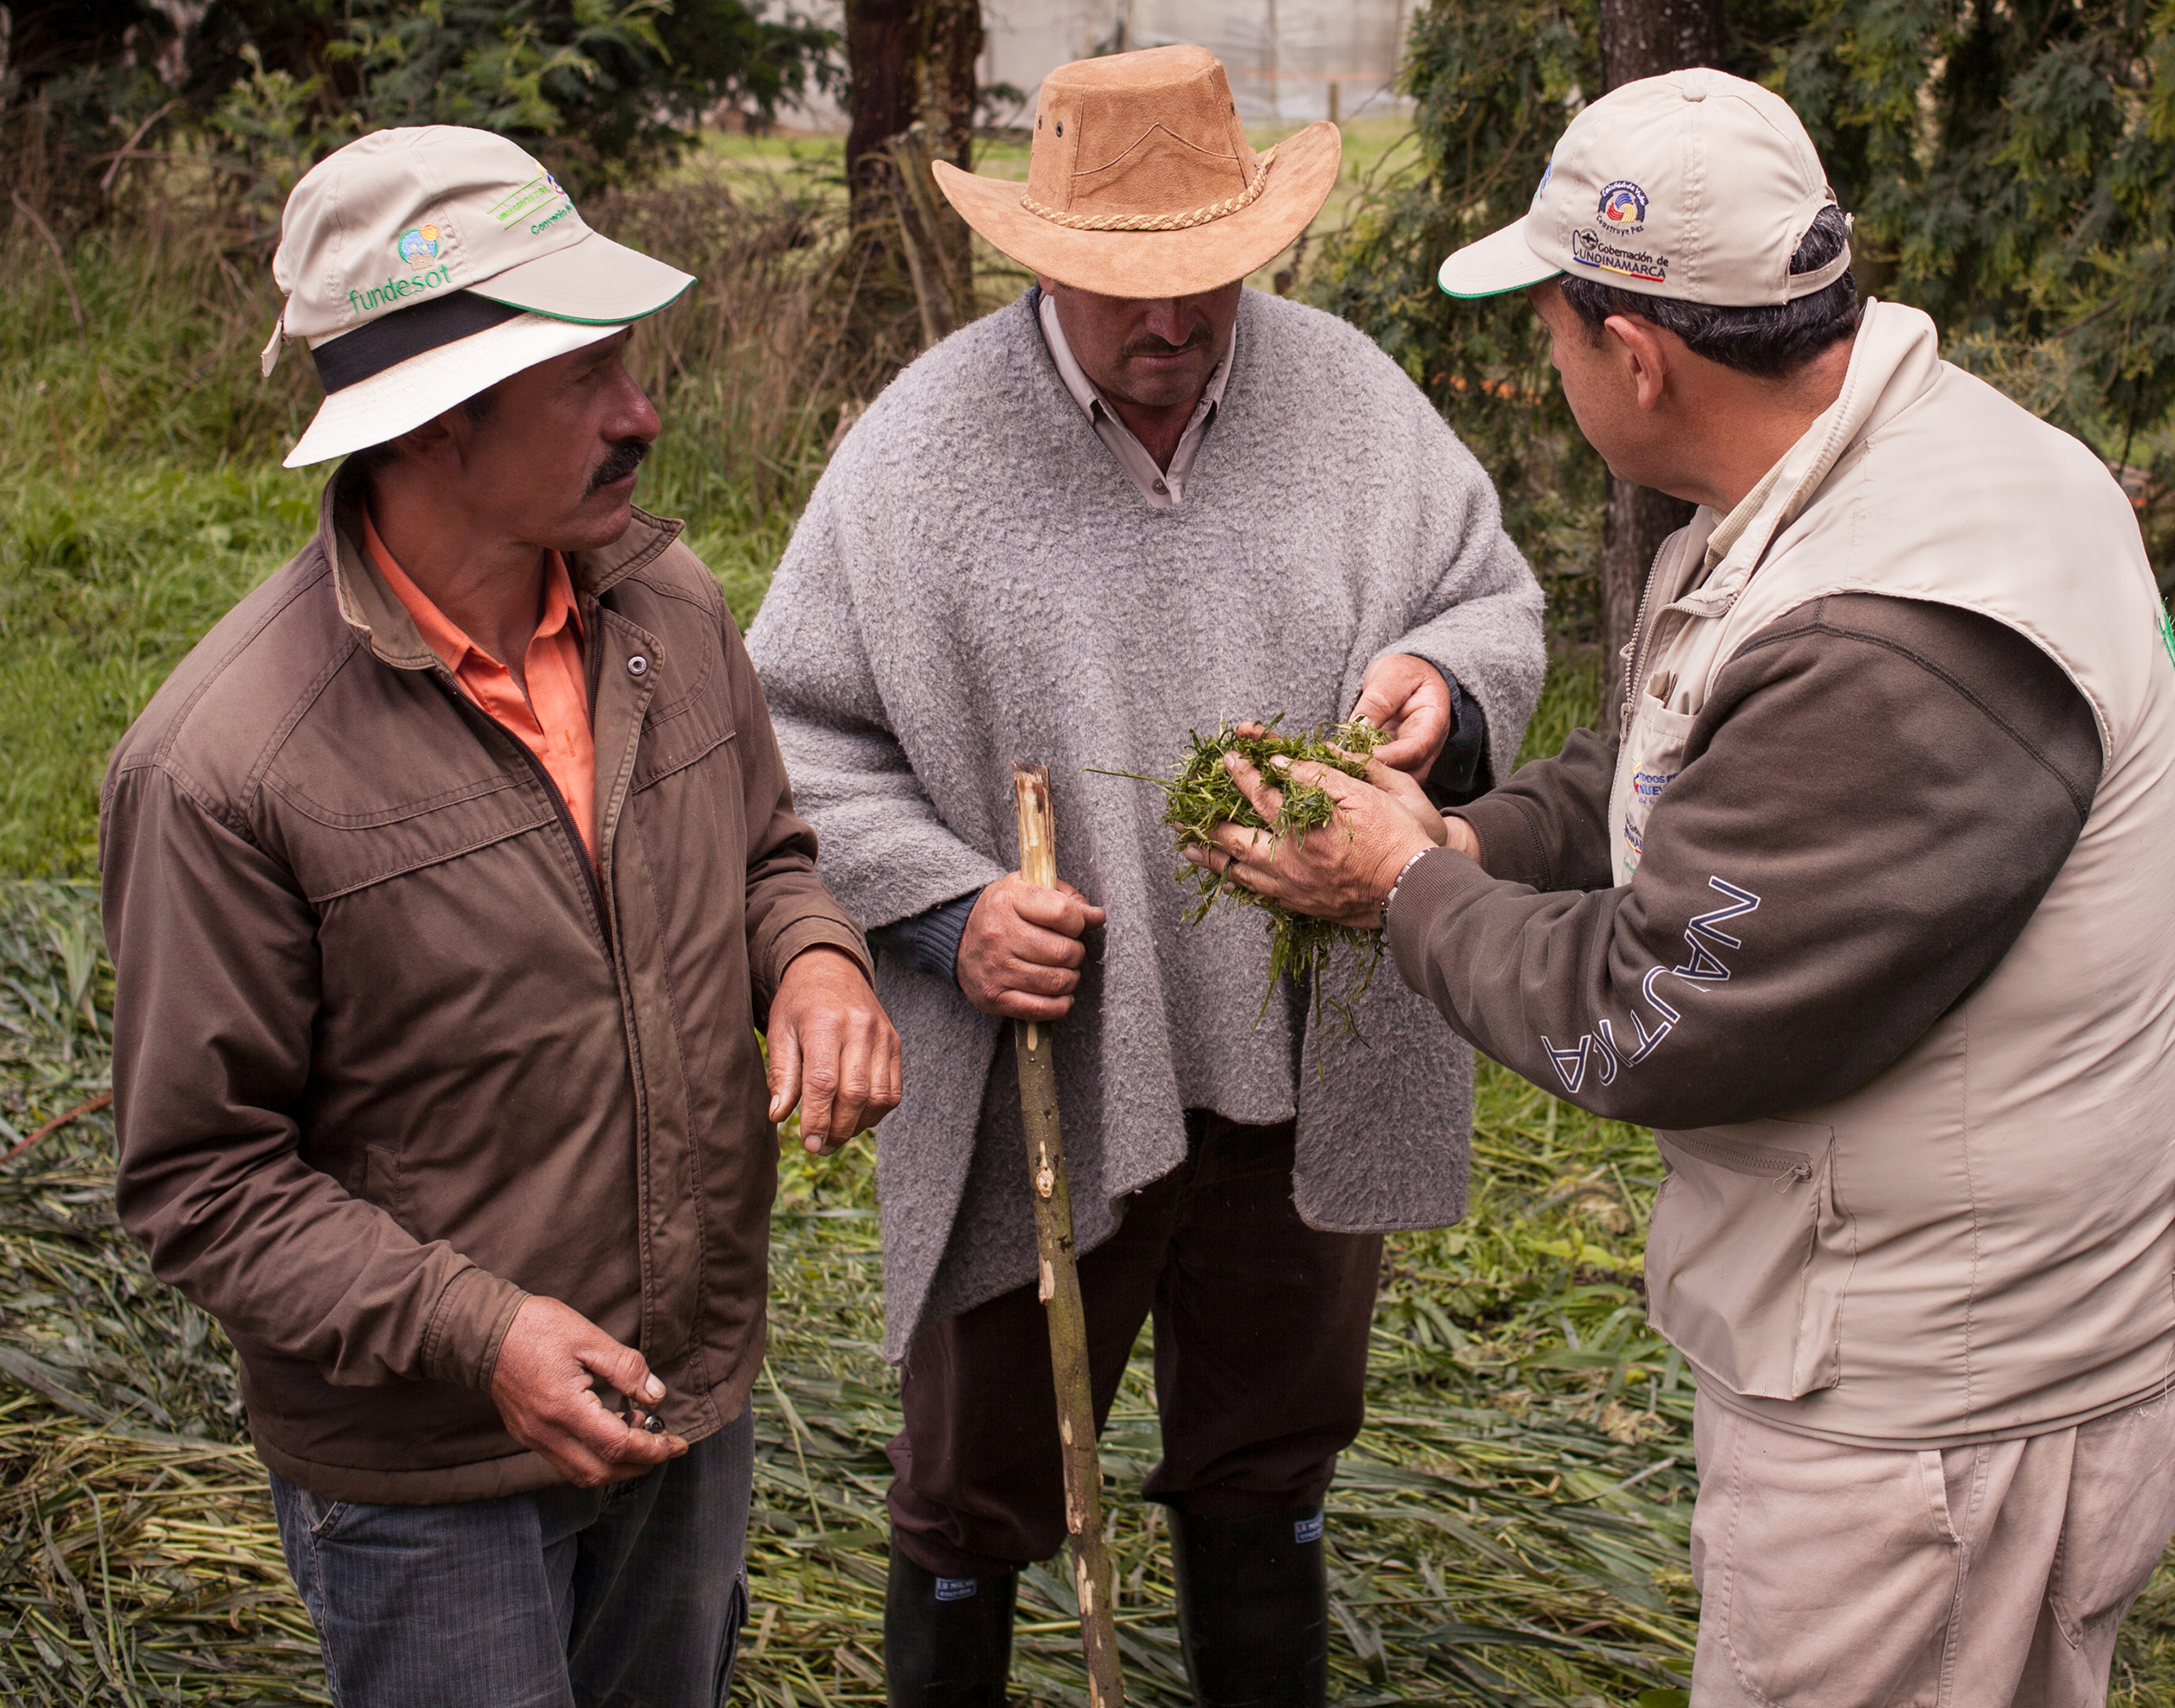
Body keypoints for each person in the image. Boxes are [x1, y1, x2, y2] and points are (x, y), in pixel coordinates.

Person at [1191, 70, 2175, 1707]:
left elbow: (1652, 1015)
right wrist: (1473, 841)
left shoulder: (1902, 637)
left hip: (1937, 1416)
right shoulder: (1876, 475)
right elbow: (1688, 771)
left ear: (1637, 356)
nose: (1549, 364)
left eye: (1550, 330)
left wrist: (1396, 882)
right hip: (1966, 1335)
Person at [746, 44, 1543, 1707]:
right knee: (978, 1470)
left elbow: (1489, 596)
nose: (1173, 317)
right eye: (1127, 283)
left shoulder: (1350, 402)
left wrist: (1447, 685)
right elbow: (794, 734)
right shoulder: (921, 454)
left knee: (1270, 1448)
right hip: (1044, 1063)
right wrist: (948, 910)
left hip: (1303, 1048)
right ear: (1045, 256)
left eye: (1206, 273)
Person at [100, 126, 901, 1708]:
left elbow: (766, 854)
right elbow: (201, 1177)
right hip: (428, 1477)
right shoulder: (227, 767)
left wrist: (814, 956)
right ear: (437, 418)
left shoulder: (665, 610)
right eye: (587, 375)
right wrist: (483, 1333)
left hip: (681, 1391)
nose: (642, 413)